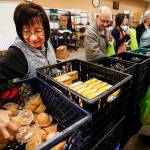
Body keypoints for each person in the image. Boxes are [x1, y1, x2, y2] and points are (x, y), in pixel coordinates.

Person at [0, 2, 57, 140]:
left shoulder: (48, 41)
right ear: (20, 31)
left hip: (55, 101)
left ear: (46, 29)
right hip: (35, 111)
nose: (33, 38)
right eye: (26, 31)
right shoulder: (17, 54)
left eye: (38, 31)